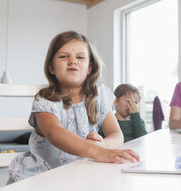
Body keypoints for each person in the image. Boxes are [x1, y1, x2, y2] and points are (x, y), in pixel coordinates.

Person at [7, 31, 139, 184]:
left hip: (82, 173)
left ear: (89, 68)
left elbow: (116, 134)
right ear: (51, 68)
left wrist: (104, 145)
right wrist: (97, 152)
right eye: (63, 56)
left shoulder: (98, 94)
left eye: (80, 57)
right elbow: (54, 132)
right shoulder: (45, 99)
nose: (72, 61)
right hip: (42, 176)